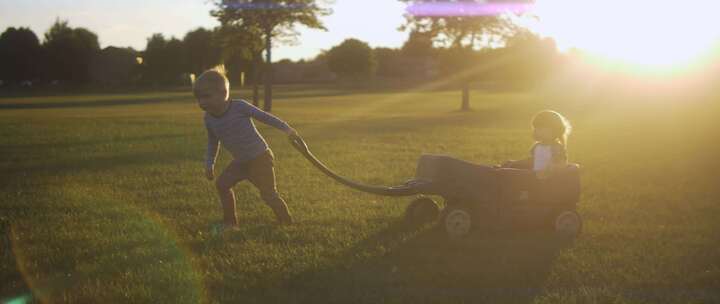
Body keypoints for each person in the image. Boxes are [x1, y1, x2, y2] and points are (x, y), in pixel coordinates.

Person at [193, 67, 298, 231]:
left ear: (223, 94)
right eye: (198, 98)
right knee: (222, 185)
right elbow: (213, 142)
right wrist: (209, 163)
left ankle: (286, 222)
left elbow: (264, 116)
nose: (202, 102)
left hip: (260, 158)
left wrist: (287, 129)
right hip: (241, 163)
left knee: (268, 194)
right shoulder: (209, 119)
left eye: (206, 97)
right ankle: (231, 223)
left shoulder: (239, 107)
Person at [501, 110, 572, 179]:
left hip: (550, 181)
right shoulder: (537, 146)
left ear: (555, 130)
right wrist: (515, 163)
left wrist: (552, 168)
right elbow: (532, 160)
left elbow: (562, 164)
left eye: (540, 128)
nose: (536, 130)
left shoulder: (556, 148)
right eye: (535, 128)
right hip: (536, 178)